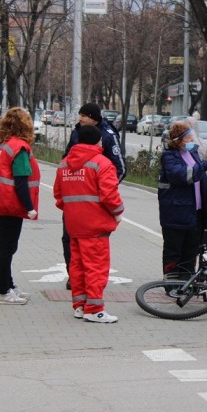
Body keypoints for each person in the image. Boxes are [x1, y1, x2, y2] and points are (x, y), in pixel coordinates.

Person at [54, 124, 124, 323]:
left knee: (77, 265)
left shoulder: (64, 164)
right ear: (97, 140)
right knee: (96, 267)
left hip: (73, 223)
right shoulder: (102, 163)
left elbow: (58, 196)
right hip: (96, 224)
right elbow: (110, 195)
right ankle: (94, 309)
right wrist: (118, 213)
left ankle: (80, 305)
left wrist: (73, 211)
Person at [0, 107, 40, 305]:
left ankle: (9, 285)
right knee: (7, 247)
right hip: (8, 204)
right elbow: (20, 181)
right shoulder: (18, 148)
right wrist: (29, 208)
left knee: (4, 245)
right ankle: (3, 291)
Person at [61, 102, 126, 288]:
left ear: (94, 118)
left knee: (92, 245)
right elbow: (66, 159)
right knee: (69, 239)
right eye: (80, 115)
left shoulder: (107, 135)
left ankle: (90, 284)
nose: (80, 119)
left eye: (84, 115)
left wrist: (104, 191)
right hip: (75, 200)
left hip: (96, 203)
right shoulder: (78, 131)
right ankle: (74, 277)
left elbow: (120, 168)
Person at [158, 120, 207, 279]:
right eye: (188, 137)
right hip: (176, 212)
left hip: (195, 211)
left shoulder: (193, 154)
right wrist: (203, 166)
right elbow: (183, 176)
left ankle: (188, 281)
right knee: (174, 250)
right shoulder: (169, 157)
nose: (191, 140)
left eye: (191, 136)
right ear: (178, 140)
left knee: (191, 249)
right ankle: (172, 282)